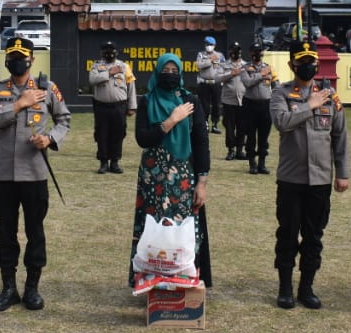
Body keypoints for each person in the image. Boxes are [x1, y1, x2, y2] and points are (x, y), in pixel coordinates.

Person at [0, 38, 71, 311]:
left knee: (35, 231)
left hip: (34, 173)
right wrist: (18, 105)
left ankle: (32, 288)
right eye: (12, 56)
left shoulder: (47, 89)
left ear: (32, 59)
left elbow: (64, 120)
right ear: (6, 60)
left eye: (22, 56)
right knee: (5, 232)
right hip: (5, 175)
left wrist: (50, 139)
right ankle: (8, 288)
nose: (17, 60)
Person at [269, 40, 350, 309]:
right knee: (288, 234)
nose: (308, 66)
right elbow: (282, 122)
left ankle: (307, 288)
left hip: (321, 180)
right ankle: (285, 288)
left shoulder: (330, 96)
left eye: (312, 62)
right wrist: (310, 105)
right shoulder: (281, 94)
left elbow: (339, 137)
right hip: (291, 178)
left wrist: (343, 173)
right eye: (302, 62)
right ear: (292, 64)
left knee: (314, 236)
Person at [130, 53, 212, 287]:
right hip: (152, 177)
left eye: (174, 70)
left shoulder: (191, 101)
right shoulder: (147, 101)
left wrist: (202, 182)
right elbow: (143, 139)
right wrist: (171, 120)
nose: (170, 75)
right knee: (152, 228)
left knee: (182, 230)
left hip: (182, 179)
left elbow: (201, 142)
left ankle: (183, 281)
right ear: (157, 72)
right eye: (165, 71)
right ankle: (151, 282)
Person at [88, 41, 137, 175]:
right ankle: (103, 162)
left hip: (119, 106)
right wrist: (109, 73)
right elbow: (92, 80)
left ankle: (115, 162)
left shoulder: (124, 66)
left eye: (112, 50)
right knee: (101, 134)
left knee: (118, 133)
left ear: (117, 52)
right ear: (101, 52)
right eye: (106, 50)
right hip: (101, 106)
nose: (109, 53)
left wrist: (132, 106)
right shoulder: (97, 66)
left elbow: (131, 86)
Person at [240, 43, 275, 175]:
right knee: (251, 136)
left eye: (260, 51)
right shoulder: (245, 67)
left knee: (264, 136)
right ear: (251, 53)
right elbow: (247, 83)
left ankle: (262, 163)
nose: (258, 54)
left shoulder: (268, 67)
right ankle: (252, 163)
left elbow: (274, 84)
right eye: (256, 51)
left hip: (265, 105)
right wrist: (261, 75)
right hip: (250, 105)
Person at [219, 42, 247, 161]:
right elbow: (217, 78)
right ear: (230, 52)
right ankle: (231, 150)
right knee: (229, 127)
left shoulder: (246, 65)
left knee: (242, 126)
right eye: (234, 50)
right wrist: (231, 73)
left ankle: (240, 150)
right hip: (229, 101)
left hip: (243, 100)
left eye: (238, 50)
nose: (237, 53)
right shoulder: (224, 65)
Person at [195, 36, 224, 134]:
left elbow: (223, 67)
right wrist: (210, 60)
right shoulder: (201, 55)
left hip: (216, 83)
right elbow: (199, 65)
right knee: (204, 105)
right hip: (204, 83)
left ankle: (215, 125)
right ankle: (205, 123)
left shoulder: (219, 55)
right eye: (207, 44)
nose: (209, 46)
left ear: (214, 45)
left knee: (216, 105)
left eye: (211, 45)